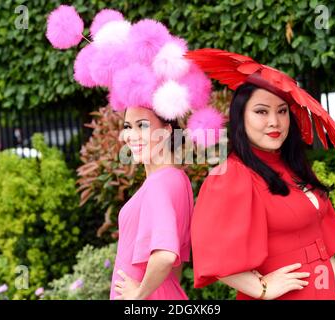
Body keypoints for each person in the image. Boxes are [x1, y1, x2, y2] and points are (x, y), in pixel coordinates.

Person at [46, 7, 224, 300]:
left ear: (166, 131)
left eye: (143, 126)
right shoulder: (177, 179)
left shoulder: (159, 183)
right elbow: (175, 266)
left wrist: (138, 294)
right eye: (128, 126)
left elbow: (166, 255)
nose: (131, 135)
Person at [186, 49, 335, 300]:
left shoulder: (295, 166)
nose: (275, 121)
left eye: (282, 111)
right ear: (241, 117)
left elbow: (325, 250)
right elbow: (212, 252)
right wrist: (262, 289)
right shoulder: (231, 176)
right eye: (262, 111)